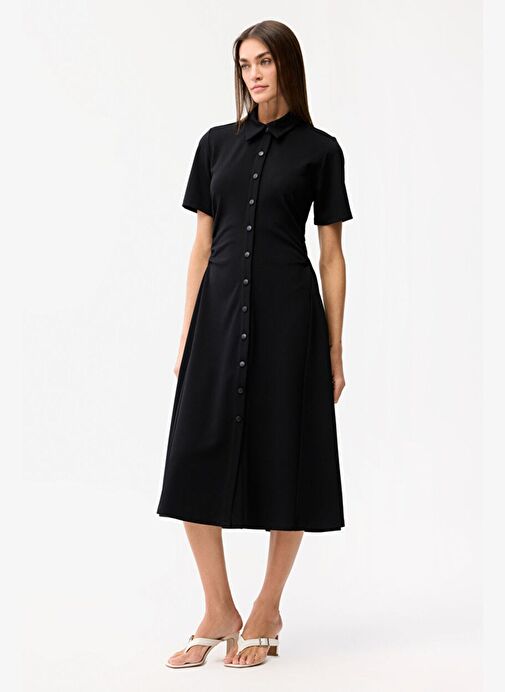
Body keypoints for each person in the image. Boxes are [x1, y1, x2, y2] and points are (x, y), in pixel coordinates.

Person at [157, 19, 353, 669]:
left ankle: (267, 608)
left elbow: (331, 255)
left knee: (287, 457)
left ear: (287, 65)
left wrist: (334, 348)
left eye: (264, 61)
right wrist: (187, 332)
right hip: (217, 319)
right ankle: (219, 609)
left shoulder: (320, 150)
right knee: (192, 456)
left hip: (290, 321)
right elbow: (201, 246)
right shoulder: (216, 145)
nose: (254, 74)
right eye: (244, 64)